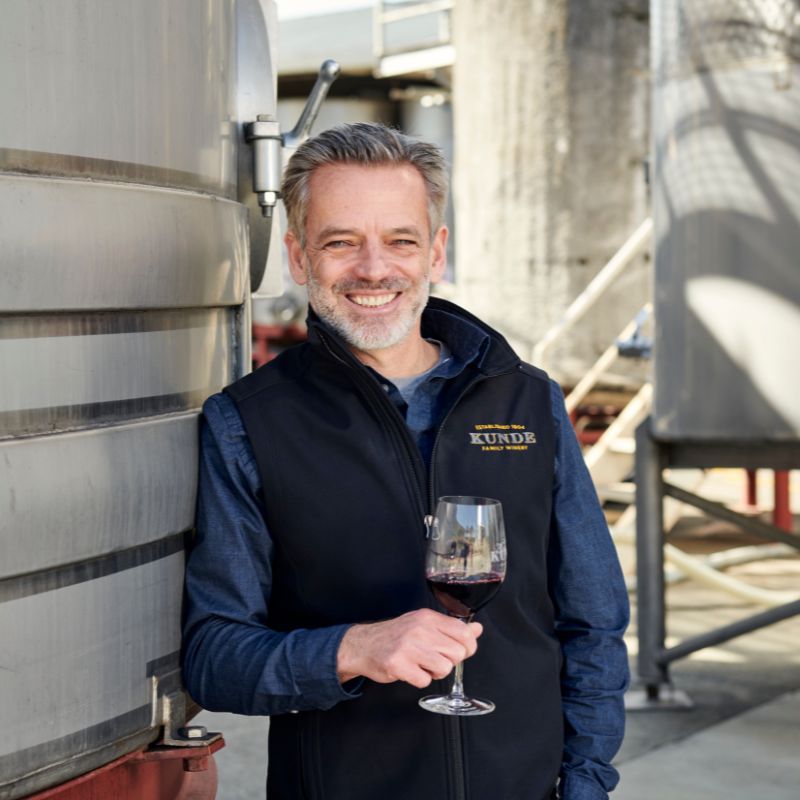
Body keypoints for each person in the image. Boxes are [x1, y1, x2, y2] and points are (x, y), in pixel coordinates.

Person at [182, 122, 629, 800]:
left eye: (400, 240)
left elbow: (594, 623)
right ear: (300, 258)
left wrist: (587, 784)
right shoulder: (246, 423)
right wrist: (352, 651)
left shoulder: (528, 399)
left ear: (436, 252)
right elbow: (215, 659)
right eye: (340, 243)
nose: (373, 269)